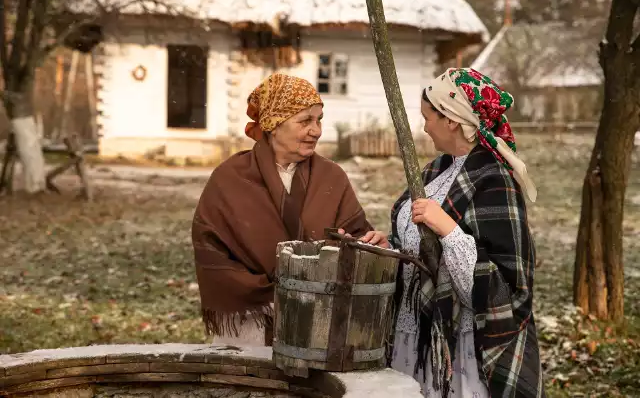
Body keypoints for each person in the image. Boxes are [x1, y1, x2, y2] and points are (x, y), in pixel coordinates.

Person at [376, 68, 543, 397]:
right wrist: (388, 246)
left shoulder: (495, 182)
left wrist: (449, 230)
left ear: (451, 119)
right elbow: (416, 245)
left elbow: (504, 293)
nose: (424, 127)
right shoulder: (435, 170)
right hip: (417, 337)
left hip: (462, 351)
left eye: (428, 117)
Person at [192, 73, 387, 346]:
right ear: (274, 124)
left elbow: (355, 240)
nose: (317, 130)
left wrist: (371, 245)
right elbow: (210, 250)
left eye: (319, 119)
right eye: (305, 120)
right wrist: (269, 293)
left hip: (318, 323)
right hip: (248, 325)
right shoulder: (230, 178)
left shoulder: (332, 177)